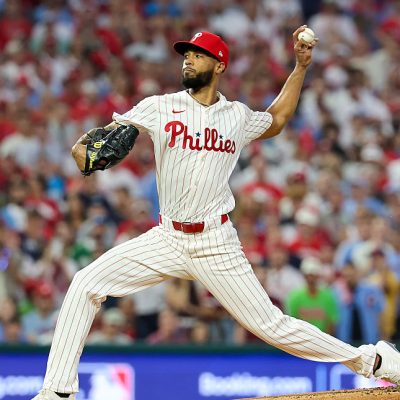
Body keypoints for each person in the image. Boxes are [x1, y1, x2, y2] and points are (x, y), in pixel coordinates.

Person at [33, 28, 400, 400]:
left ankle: (372, 361)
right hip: (168, 238)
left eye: (198, 54)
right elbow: (107, 139)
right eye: (186, 54)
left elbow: (277, 119)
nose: (188, 59)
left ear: (219, 64)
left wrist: (300, 67)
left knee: (271, 325)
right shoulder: (158, 106)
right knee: (84, 283)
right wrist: (86, 149)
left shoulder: (236, 116)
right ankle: (57, 391)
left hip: (215, 242)